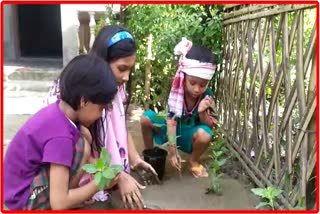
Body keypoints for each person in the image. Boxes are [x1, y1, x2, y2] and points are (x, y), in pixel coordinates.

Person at [43, 25, 159, 210]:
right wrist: (117, 176)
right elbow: (75, 148)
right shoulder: (74, 92)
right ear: (103, 61)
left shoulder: (115, 84)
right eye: (121, 68)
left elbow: (119, 123)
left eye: (130, 69)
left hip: (105, 173)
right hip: (77, 183)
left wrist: (135, 159)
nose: (127, 77)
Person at [4, 55, 119, 210]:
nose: (101, 115)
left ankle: (69, 196)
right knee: (82, 144)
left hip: (16, 187)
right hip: (22, 200)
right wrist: (100, 183)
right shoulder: (61, 137)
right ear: (84, 101)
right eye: (101, 108)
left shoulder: (59, 112)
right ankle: (66, 198)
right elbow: (59, 204)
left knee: (84, 140)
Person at [140, 37, 217, 178]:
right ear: (184, 77)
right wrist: (173, 152)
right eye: (192, 83)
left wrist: (202, 113)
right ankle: (149, 155)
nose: (197, 89)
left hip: (189, 135)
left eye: (203, 84)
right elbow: (171, 122)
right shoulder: (177, 90)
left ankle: (193, 161)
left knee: (205, 134)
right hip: (170, 129)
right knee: (146, 118)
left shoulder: (207, 95)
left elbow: (210, 127)